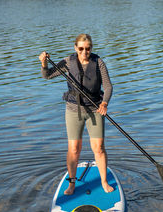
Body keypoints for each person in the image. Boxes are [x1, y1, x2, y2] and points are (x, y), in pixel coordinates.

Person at [39, 34, 114, 195]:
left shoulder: (98, 63)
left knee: (99, 148)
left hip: (95, 110)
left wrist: (104, 103)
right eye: (81, 49)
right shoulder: (68, 62)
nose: (84, 52)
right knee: (74, 149)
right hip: (74, 111)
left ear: (91, 48)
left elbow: (108, 87)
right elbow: (47, 75)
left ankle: (103, 181)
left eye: (87, 49)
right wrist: (44, 63)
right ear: (75, 48)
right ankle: (72, 184)